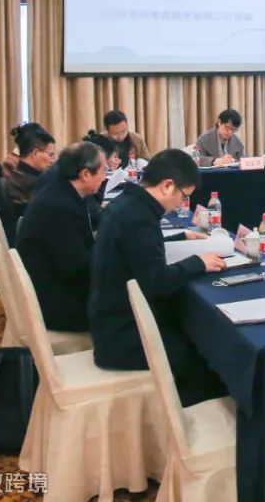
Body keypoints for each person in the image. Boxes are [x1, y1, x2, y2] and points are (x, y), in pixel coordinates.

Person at [88, 149, 229, 406]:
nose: (181, 203)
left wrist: (180, 236)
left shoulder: (127, 204)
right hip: (124, 338)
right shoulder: (139, 217)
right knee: (213, 363)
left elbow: (138, 250)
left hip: (110, 322)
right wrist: (198, 262)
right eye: (183, 196)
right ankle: (180, 422)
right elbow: (156, 282)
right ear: (167, 186)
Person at [17, 142, 107, 332]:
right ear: (85, 174)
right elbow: (77, 267)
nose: (104, 177)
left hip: (57, 286)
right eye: (103, 171)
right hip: (58, 304)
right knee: (138, 301)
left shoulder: (62, 192)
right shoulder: (59, 208)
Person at [0, 124, 57, 241]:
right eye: (50, 155)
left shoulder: (17, 174)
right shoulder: (34, 182)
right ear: (35, 153)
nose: (52, 160)